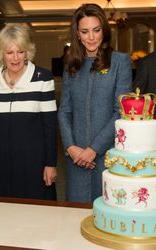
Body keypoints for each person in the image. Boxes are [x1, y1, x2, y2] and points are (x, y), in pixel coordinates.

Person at [0, 24, 57, 200]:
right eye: (9, 52)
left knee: (34, 215)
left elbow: (50, 127)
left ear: (27, 52)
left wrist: (50, 163)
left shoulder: (43, 79)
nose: (15, 58)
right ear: (1, 54)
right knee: (1, 215)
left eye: (20, 51)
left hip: (33, 162)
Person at [58, 4, 132, 203]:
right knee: (76, 215)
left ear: (104, 31)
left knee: (108, 213)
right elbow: (64, 110)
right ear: (77, 34)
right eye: (85, 31)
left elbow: (120, 111)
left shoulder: (119, 62)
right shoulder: (71, 64)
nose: (91, 37)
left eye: (96, 30)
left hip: (107, 155)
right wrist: (71, 147)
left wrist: (93, 150)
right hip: (76, 158)